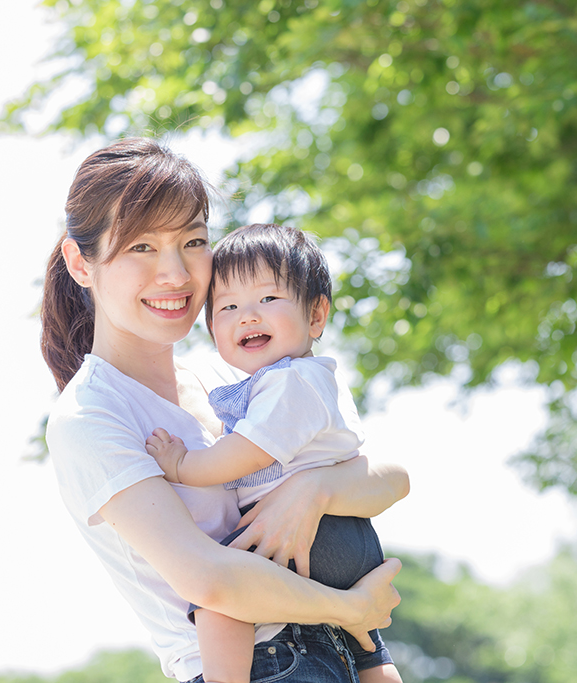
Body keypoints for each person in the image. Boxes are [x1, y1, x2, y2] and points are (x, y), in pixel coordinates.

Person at [42, 137, 409, 683]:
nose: (176, 273)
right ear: (81, 263)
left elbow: (392, 479)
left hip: (339, 654)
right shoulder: (91, 416)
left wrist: (314, 491)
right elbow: (208, 579)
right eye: (142, 246)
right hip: (260, 666)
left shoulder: (235, 374)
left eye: (193, 241)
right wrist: (350, 609)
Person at [146, 223, 402, 683]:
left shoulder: (291, 381)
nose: (247, 316)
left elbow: (247, 453)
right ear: (211, 328)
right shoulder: (304, 380)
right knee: (366, 647)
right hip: (345, 537)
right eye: (228, 307)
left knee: (220, 597)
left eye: (268, 298)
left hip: (313, 537)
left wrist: (184, 465)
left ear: (316, 316)